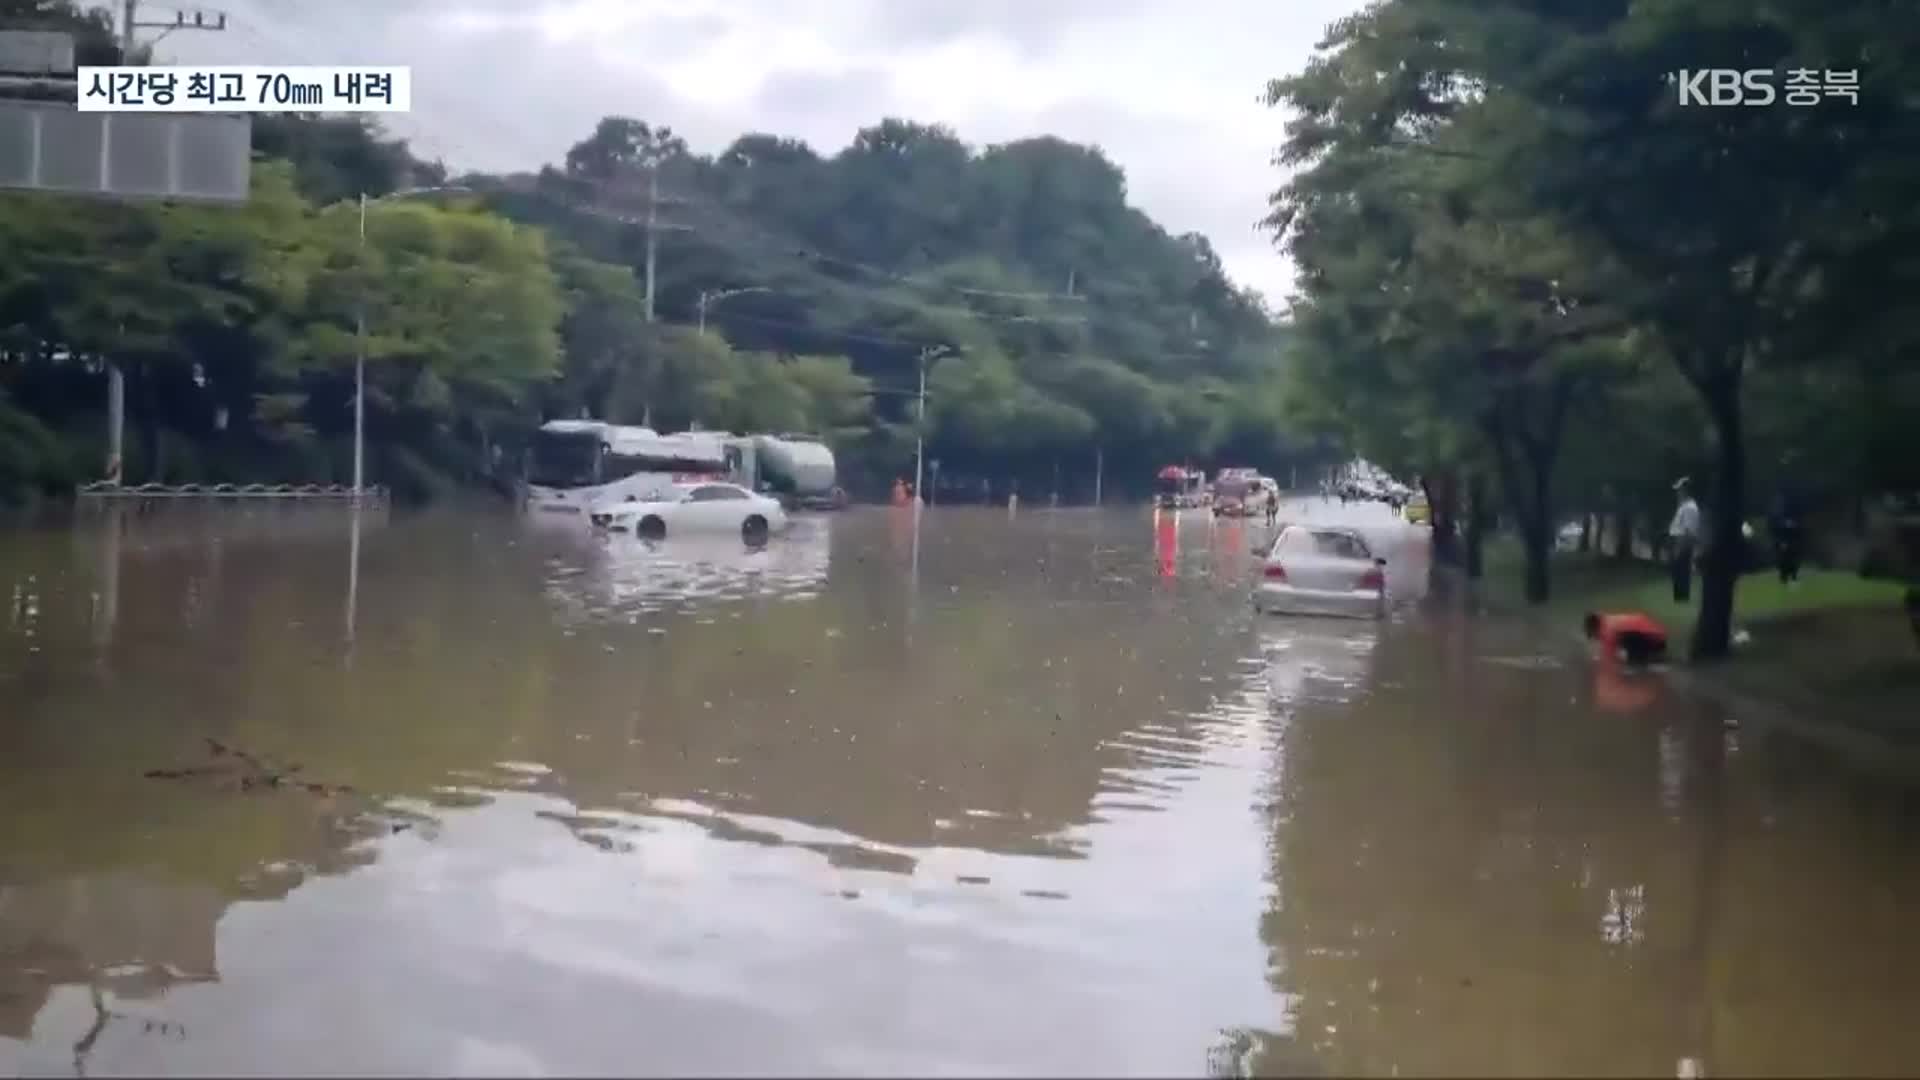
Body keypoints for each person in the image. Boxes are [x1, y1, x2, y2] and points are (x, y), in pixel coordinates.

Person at [1584, 610, 1670, 666]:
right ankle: (1644, 658)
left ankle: (1639, 662)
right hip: (1657, 639)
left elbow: (1609, 654)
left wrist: (1600, 660)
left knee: (1625, 637)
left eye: (1593, 635)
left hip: (1654, 641)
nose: (1596, 638)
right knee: (1623, 640)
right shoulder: (1608, 620)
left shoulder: (1608, 628)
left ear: (1594, 627)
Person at [1667, 478, 1701, 604]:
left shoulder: (1689, 508)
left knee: (1681, 576)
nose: (1677, 493)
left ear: (1686, 491)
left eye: (1679, 490)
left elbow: (1688, 531)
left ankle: (1682, 601)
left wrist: (1679, 548)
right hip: (1680, 543)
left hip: (1683, 545)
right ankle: (1680, 601)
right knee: (1678, 577)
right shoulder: (1684, 506)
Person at [1768, 486, 1805, 586]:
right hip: (1781, 536)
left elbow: (1798, 521)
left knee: (1792, 555)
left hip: (1790, 536)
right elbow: (1772, 523)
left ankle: (1793, 575)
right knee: (1783, 556)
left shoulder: (1791, 507)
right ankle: (1784, 576)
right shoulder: (1775, 509)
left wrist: (1793, 525)